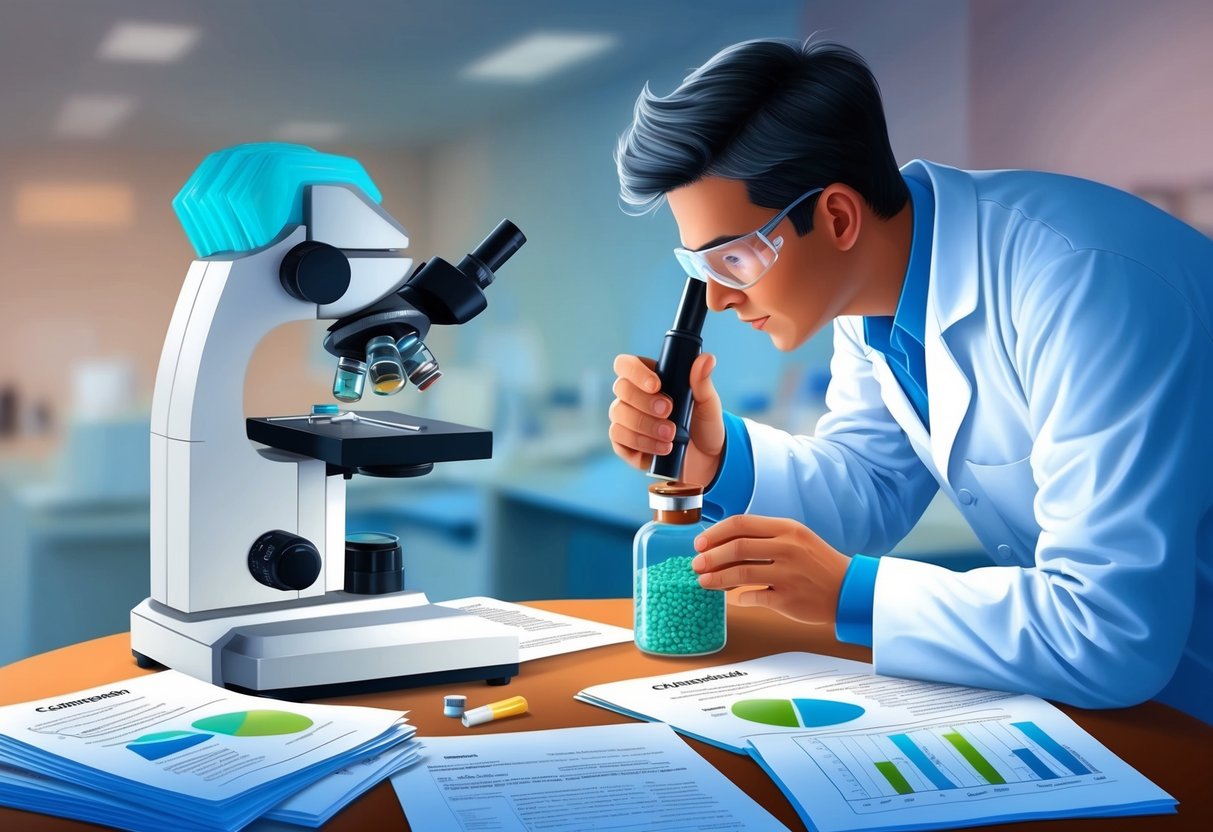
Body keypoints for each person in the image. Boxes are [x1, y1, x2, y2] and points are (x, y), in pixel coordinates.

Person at [608, 37, 1213, 723]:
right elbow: (868, 492)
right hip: (1124, 712)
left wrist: (851, 595)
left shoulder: (1084, 285)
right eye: (701, 268)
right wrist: (715, 459)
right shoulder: (869, 292)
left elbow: (1109, 633)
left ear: (836, 216)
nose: (717, 299)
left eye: (735, 259)